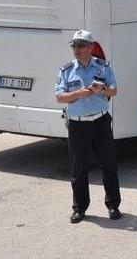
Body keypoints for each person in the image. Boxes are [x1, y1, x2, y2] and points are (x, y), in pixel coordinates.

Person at [55, 30, 121, 223]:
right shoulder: (67, 70)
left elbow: (114, 91)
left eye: (81, 45)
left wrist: (103, 90)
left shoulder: (102, 67)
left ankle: (113, 205)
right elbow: (59, 97)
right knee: (78, 168)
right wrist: (78, 94)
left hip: (100, 122)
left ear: (91, 47)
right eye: (74, 46)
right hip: (78, 125)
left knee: (109, 165)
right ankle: (79, 209)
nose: (77, 49)